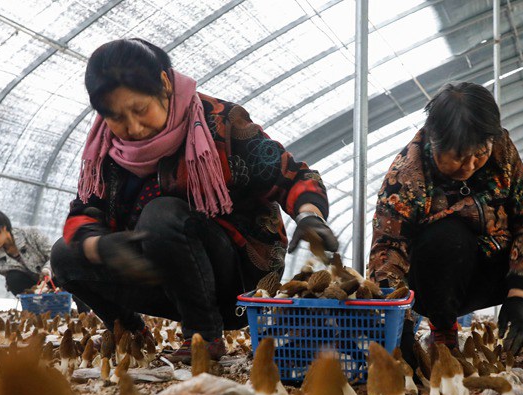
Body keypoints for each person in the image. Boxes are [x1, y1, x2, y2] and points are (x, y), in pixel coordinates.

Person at [51, 38, 337, 362]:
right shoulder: (105, 152)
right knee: (64, 255)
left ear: (163, 84)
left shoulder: (221, 123)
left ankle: (205, 338)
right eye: (116, 117)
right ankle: (130, 331)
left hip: (236, 283)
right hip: (163, 275)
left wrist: (310, 216)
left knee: (161, 215)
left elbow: (293, 176)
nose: (132, 127)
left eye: (140, 109)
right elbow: (85, 212)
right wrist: (98, 246)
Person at [369, 82, 523, 359]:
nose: (469, 166)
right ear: (434, 140)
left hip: (501, 269)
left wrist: (518, 297)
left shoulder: (501, 150)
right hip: (442, 278)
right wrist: (402, 331)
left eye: (479, 155)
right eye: (458, 157)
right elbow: (386, 253)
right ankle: (443, 328)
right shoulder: (407, 175)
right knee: (447, 234)